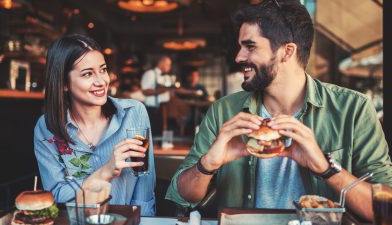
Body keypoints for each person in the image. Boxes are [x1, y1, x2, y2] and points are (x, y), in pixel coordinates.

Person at [166, 0, 392, 221]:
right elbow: (181, 197)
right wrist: (207, 165)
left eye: (250, 46)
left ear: (287, 51)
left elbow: (385, 210)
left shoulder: (353, 110)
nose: (238, 57)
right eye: (240, 47)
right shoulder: (223, 111)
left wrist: (325, 168)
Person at [33, 34, 156, 216]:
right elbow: (57, 196)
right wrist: (105, 171)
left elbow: (144, 189)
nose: (101, 81)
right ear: (64, 83)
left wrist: (140, 220)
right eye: (88, 74)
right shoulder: (46, 127)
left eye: (103, 70)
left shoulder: (134, 112)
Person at [140, 55, 172, 135]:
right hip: (152, 108)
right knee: (151, 133)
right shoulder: (150, 74)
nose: (169, 67)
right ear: (161, 63)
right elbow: (145, 91)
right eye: (168, 64)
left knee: (161, 133)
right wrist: (161, 91)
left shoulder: (166, 76)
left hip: (163, 108)